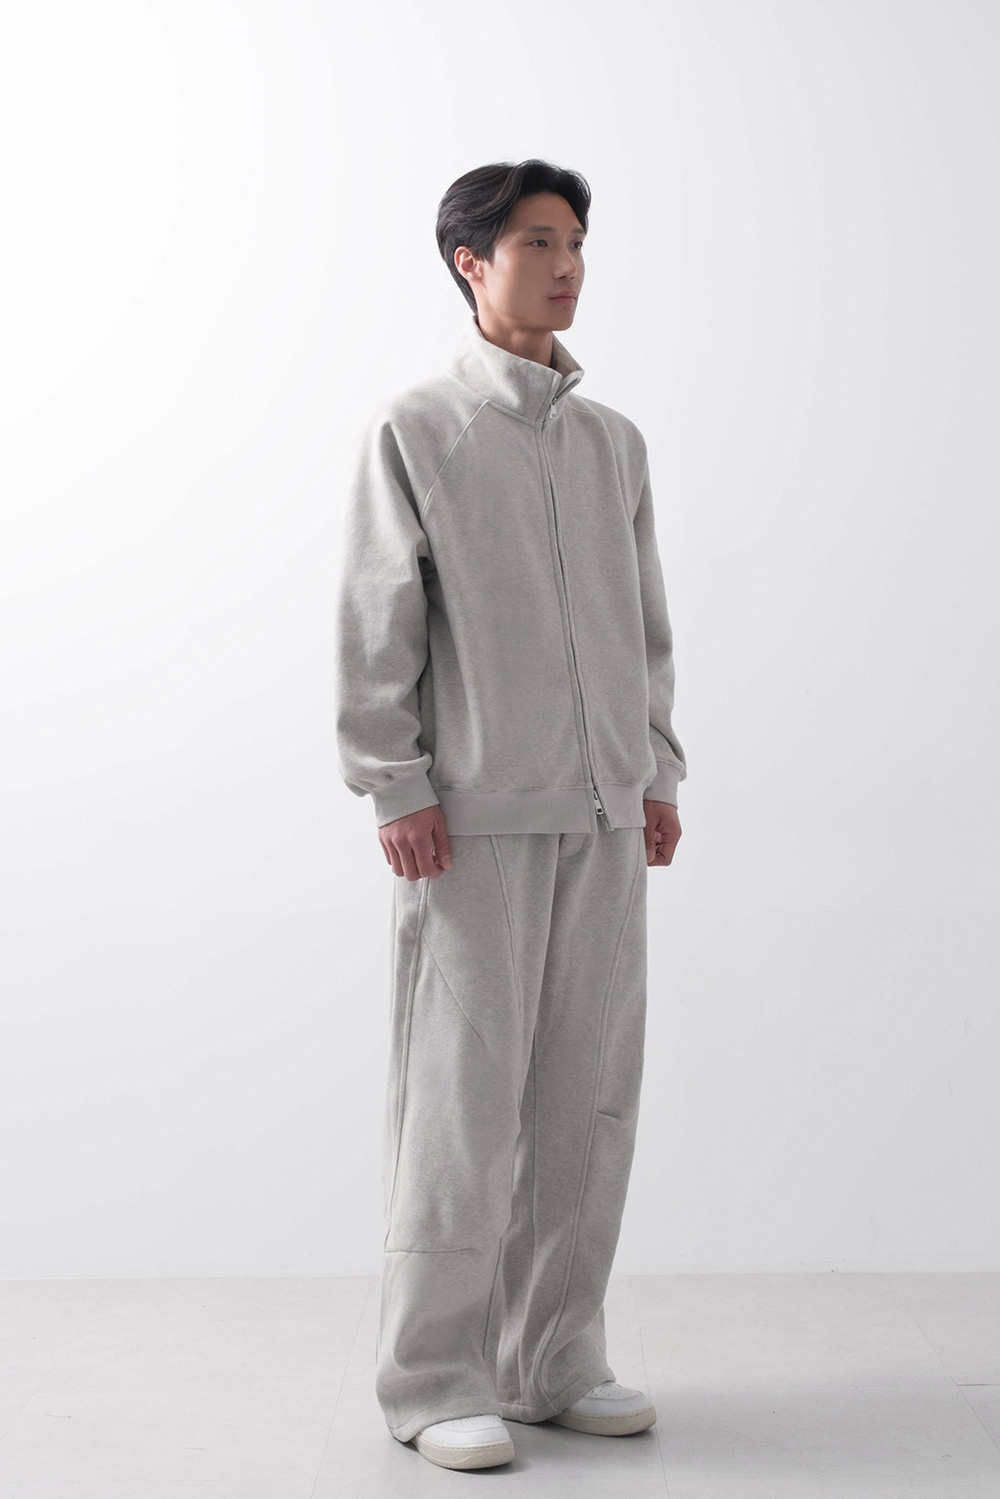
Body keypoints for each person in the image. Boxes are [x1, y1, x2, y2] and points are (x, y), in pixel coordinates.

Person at [334, 158, 687, 1472]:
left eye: (576, 239)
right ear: (470, 262)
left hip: (606, 820)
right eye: (537, 240)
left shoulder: (613, 445)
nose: (567, 262)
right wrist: (395, 781)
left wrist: (656, 774)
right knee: (461, 1107)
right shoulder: (418, 429)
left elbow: (646, 629)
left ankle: (555, 1358)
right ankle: (434, 1379)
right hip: (472, 821)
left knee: (588, 1102)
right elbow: (376, 618)